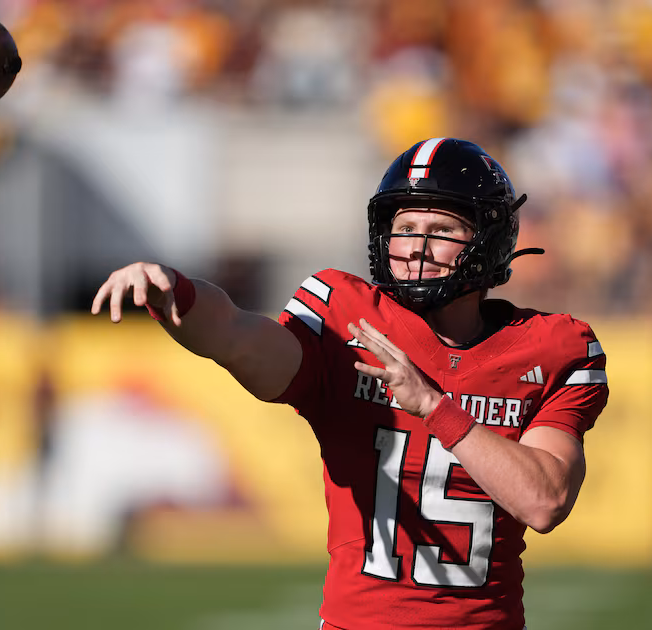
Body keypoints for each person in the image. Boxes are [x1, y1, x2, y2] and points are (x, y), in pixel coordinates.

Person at [91, 138, 609, 629]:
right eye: (406, 227)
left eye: (442, 230)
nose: (418, 247)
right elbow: (238, 337)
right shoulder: (348, 317)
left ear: (488, 242)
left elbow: (544, 502)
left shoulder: (549, 347)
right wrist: (175, 292)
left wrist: (434, 406)